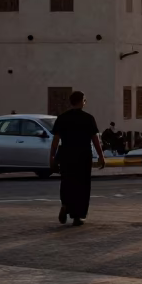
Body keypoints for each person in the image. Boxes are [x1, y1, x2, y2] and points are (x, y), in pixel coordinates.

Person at [49, 91, 106, 226]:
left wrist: (52, 157)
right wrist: (101, 156)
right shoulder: (88, 118)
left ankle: (65, 204)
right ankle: (78, 215)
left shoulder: (62, 118)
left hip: (66, 154)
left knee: (67, 181)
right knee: (83, 185)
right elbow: (95, 139)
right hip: (83, 154)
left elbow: (55, 140)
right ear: (81, 101)